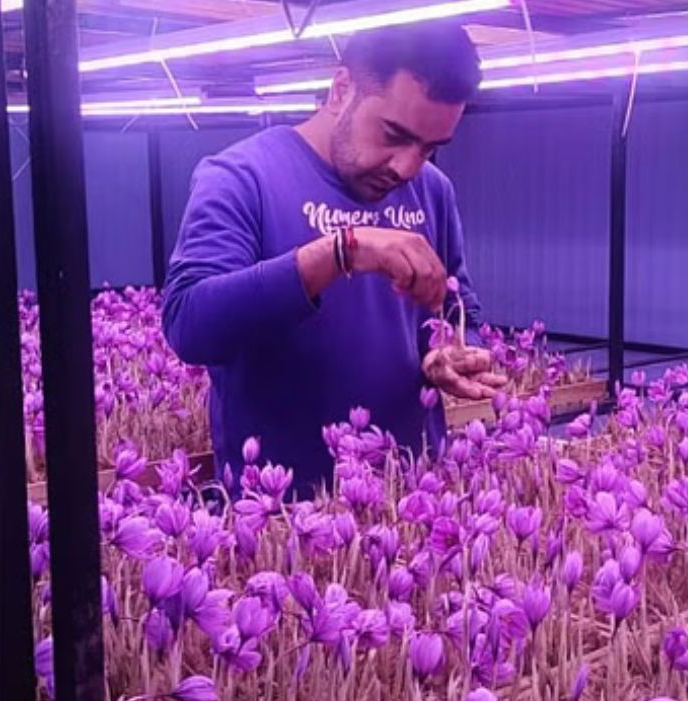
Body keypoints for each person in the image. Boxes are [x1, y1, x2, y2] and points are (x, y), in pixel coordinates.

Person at [162, 23, 505, 498]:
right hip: (277, 516)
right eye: (393, 134)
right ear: (341, 89)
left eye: (429, 149)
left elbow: (456, 308)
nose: (406, 167)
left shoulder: (432, 191)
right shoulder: (241, 177)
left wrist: (452, 353)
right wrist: (341, 251)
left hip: (407, 506)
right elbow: (190, 325)